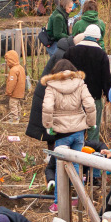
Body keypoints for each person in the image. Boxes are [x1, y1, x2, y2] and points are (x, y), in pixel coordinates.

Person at [41, 59, 96, 211]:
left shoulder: (51, 86)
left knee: (60, 167)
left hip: (61, 132)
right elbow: (90, 104)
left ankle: (59, 203)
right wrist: (91, 123)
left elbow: (47, 106)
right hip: (79, 130)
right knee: (77, 165)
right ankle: (80, 199)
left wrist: (48, 125)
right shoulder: (80, 83)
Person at [26, 37, 76, 192]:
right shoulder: (63, 58)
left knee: (50, 129)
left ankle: (52, 158)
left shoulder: (59, 53)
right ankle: (55, 163)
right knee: (52, 130)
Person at [63, 27, 111, 145]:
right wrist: (108, 96)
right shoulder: (101, 54)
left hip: (74, 97)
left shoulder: (70, 52)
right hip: (93, 98)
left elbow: (62, 72)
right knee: (93, 128)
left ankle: (75, 151)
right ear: (97, 38)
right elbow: (106, 78)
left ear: (84, 36)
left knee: (74, 127)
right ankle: (91, 155)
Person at [3, 49, 27, 123]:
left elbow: (12, 83)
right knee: (17, 104)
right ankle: (18, 116)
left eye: (7, 61)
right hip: (20, 92)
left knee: (13, 105)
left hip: (15, 92)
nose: (7, 63)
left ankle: (14, 119)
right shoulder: (20, 68)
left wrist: (8, 91)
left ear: (11, 60)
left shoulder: (13, 70)